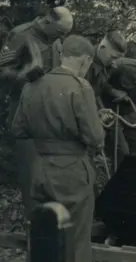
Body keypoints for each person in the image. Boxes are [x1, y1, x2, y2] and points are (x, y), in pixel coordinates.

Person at [11, 35, 104, 262]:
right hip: (71, 171)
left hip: (41, 170)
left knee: (46, 238)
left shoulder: (32, 85)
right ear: (85, 59)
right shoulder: (80, 87)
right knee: (76, 241)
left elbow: (18, 129)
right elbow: (95, 138)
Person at [0, 6, 73, 218]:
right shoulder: (20, 35)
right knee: (31, 168)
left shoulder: (55, 38)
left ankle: (51, 218)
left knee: (52, 167)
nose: (62, 37)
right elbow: (2, 73)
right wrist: (26, 75)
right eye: (60, 33)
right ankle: (36, 224)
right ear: (48, 22)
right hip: (25, 111)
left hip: (51, 111)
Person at [103, 57, 136, 165]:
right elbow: (100, 82)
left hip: (131, 109)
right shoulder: (122, 66)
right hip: (112, 110)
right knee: (122, 151)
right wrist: (113, 92)